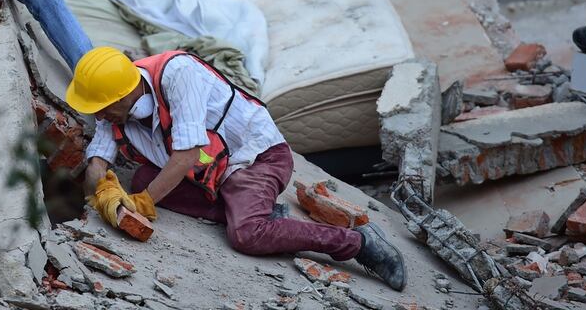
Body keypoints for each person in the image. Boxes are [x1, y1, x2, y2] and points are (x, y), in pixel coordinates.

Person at [67, 47, 407, 291]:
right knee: (142, 178)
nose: (98, 116)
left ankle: (358, 243)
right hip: (210, 173)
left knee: (246, 235)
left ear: (125, 94)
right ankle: (260, 214)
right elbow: (98, 161)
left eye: (102, 109)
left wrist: (142, 204)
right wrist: (102, 193)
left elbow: (185, 157)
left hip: (256, 158)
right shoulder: (114, 107)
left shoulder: (177, 73)